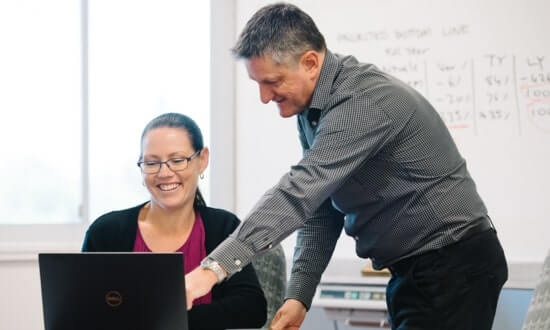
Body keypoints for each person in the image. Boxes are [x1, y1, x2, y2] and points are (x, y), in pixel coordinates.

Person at [186, 3, 508, 330]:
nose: (264, 97)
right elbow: (321, 205)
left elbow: (296, 194)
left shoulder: (361, 102)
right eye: (258, 83)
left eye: (272, 82)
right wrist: (299, 295)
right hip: (420, 271)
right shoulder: (314, 111)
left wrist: (212, 270)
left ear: (310, 63)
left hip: (452, 267)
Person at [82, 112, 267, 330]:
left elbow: (253, 309)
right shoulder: (106, 232)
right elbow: (81, 311)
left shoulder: (223, 227)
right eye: (152, 163)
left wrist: (168, 319)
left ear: (202, 159)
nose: (164, 173)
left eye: (177, 160)